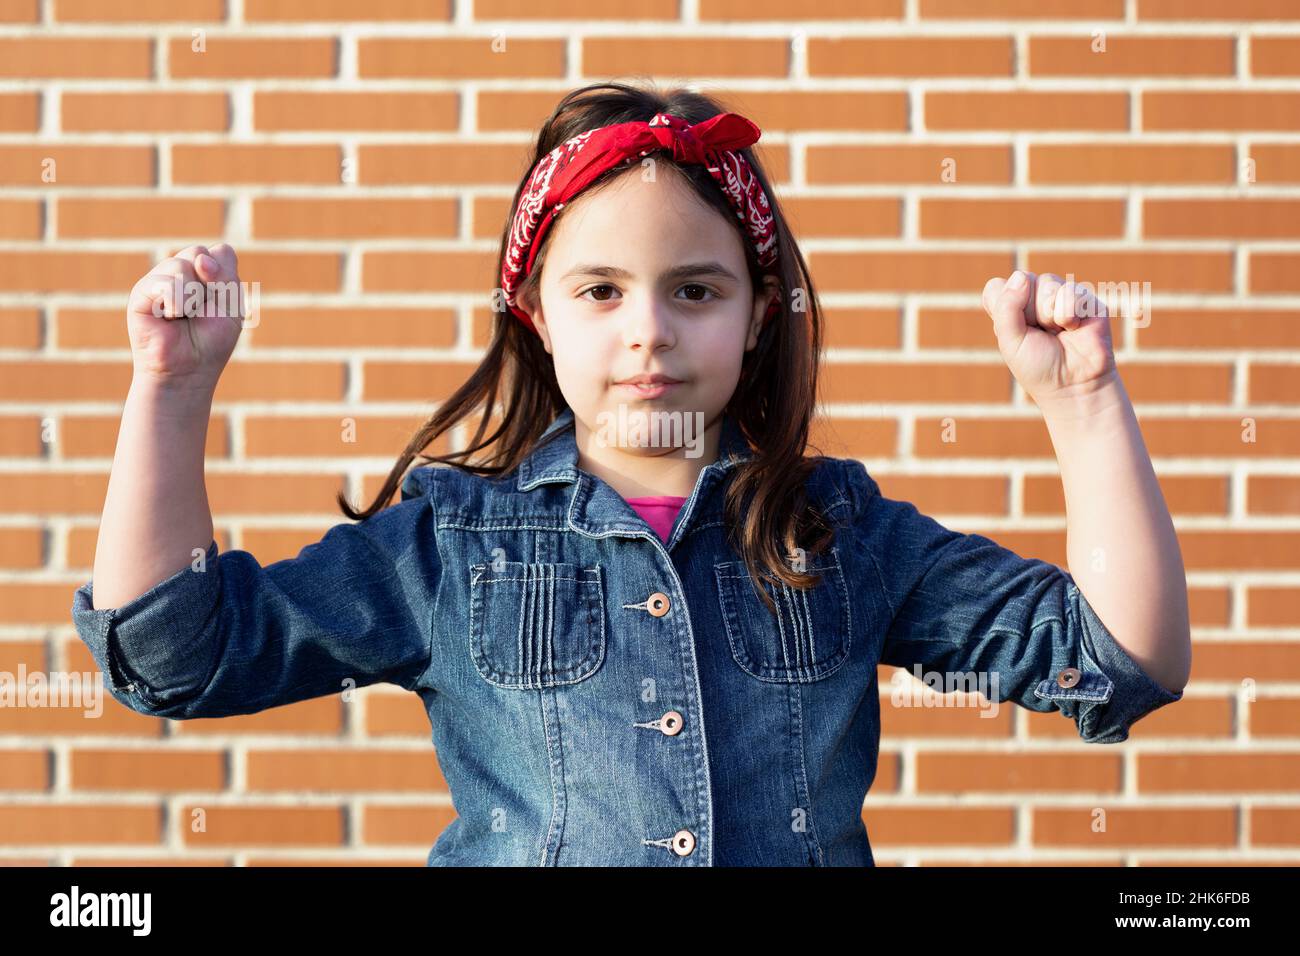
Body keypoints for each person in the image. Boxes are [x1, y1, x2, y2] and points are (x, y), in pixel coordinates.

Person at [70, 79, 1189, 867]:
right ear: (536, 314)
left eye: (694, 290)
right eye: (600, 290)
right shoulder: (451, 546)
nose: (647, 330)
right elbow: (175, 655)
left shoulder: (837, 529)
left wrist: (1080, 403)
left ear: (757, 316)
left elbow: (1119, 659)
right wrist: (170, 392)